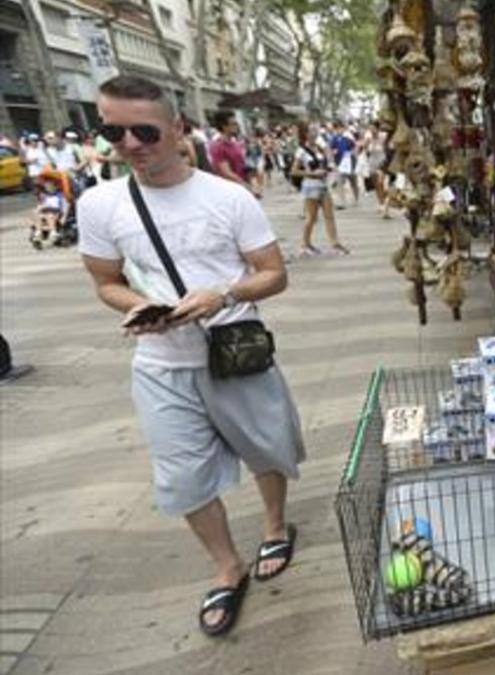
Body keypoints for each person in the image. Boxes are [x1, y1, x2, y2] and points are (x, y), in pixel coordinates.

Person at [77, 75, 305, 638]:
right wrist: (141, 305)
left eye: (145, 131)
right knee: (182, 478)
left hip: (234, 352)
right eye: (113, 131)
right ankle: (227, 566)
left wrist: (223, 294)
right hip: (160, 366)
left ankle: (275, 525)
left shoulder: (227, 197)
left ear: (177, 130)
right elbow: (105, 281)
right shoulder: (100, 203)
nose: (130, 144)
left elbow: (273, 274)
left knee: (265, 446)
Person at [291, 123, 349, 256]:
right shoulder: (301, 151)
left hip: (323, 185)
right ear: (305, 134)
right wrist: (312, 173)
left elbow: (328, 160)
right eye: (311, 130)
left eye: (315, 130)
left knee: (330, 215)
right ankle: (305, 244)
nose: (315, 133)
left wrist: (328, 166)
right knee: (311, 218)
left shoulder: (319, 148)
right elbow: (294, 171)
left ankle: (335, 243)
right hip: (310, 187)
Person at [209, 110, 258, 198]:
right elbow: (226, 172)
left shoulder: (235, 143)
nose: (237, 126)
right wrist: (246, 186)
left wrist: (253, 182)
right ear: (224, 126)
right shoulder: (218, 146)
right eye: (233, 124)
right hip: (229, 191)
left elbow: (243, 165)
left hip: (241, 188)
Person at [328, 121, 358, 208]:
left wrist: (351, 153)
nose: (339, 130)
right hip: (340, 164)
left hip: (351, 163)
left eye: (340, 128)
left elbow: (355, 147)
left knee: (353, 182)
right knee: (340, 182)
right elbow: (330, 149)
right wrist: (333, 154)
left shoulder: (349, 137)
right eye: (337, 128)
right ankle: (342, 202)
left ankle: (356, 199)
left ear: (344, 128)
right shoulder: (334, 138)